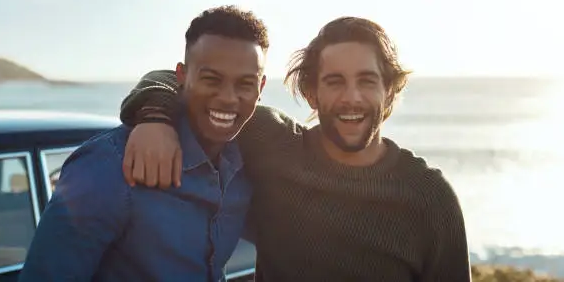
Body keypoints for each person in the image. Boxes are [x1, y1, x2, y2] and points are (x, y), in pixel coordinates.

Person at [120, 17, 472, 281]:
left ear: (389, 91)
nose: (352, 97)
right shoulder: (270, 142)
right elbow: (172, 79)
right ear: (311, 92)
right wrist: (155, 119)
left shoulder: (430, 199)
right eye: (335, 82)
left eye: (367, 81)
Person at [19, 5, 269, 282]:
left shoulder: (248, 162)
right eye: (212, 79)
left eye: (245, 84)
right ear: (182, 76)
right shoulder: (108, 167)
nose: (228, 98)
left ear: (261, 88)